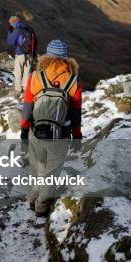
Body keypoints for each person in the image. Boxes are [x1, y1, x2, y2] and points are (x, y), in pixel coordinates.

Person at [20, 40, 82, 217]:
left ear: (46, 57)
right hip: (60, 134)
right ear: (66, 59)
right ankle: (41, 206)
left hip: (36, 130)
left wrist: (24, 130)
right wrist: (77, 136)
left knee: (37, 166)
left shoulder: (35, 77)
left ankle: (32, 199)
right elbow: (76, 114)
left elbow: (27, 107)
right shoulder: (73, 81)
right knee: (52, 172)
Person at [6, 16, 37, 95]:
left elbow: (10, 42)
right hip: (30, 54)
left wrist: (9, 31)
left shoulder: (17, 30)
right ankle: (26, 89)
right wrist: (33, 54)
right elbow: (35, 41)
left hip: (20, 53)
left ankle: (18, 89)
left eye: (10, 24)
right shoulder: (29, 28)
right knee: (27, 72)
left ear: (13, 23)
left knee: (18, 71)